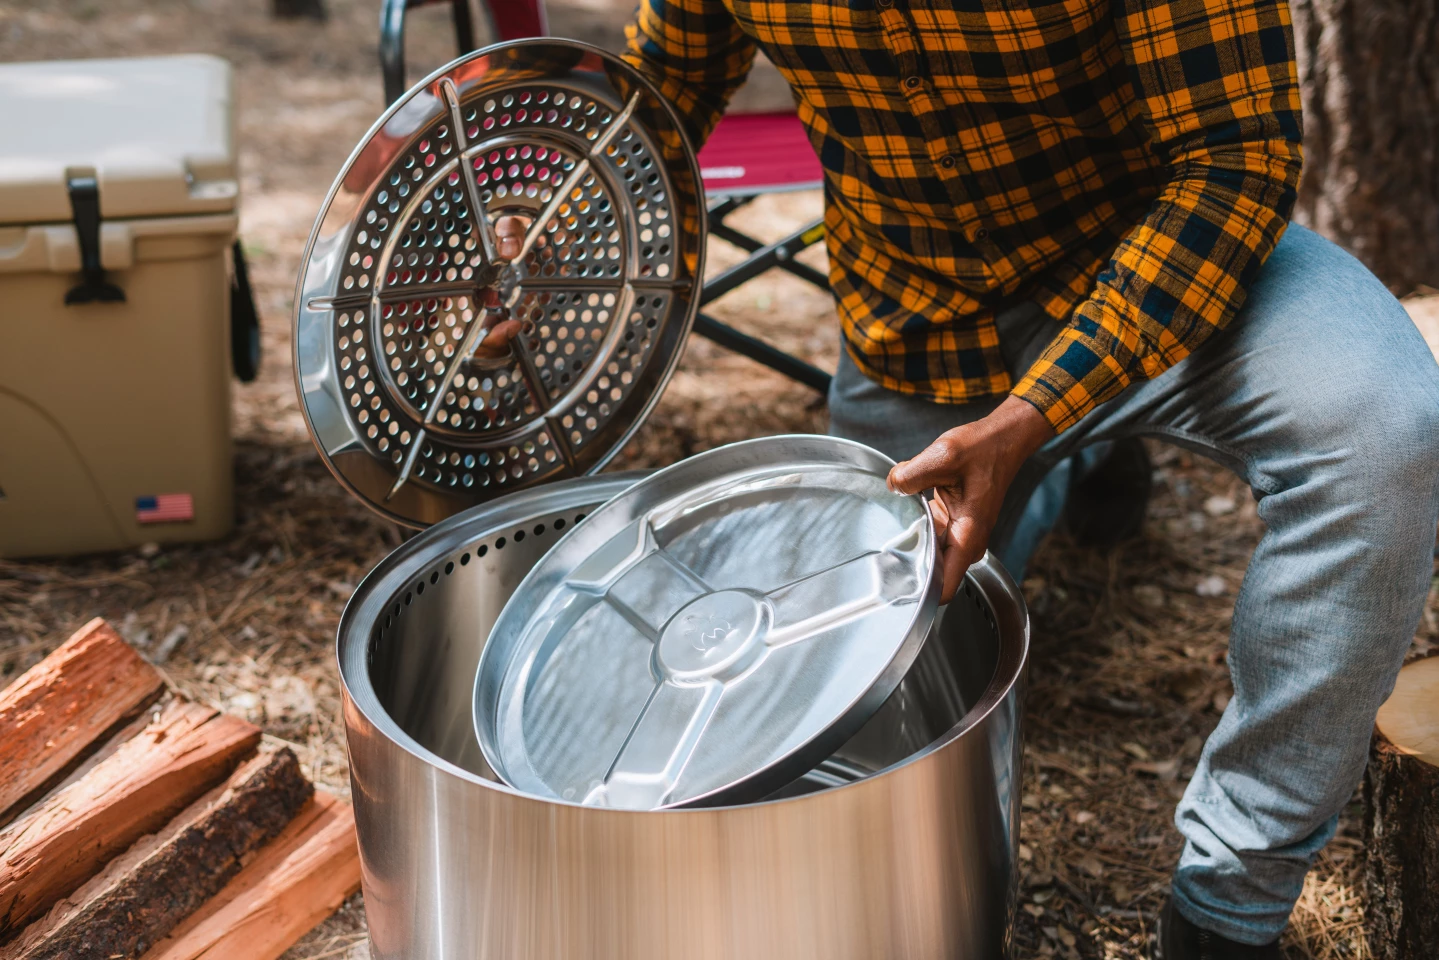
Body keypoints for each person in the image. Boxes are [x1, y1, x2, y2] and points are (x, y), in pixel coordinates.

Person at [591, 1, 1439, 957]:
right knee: (877, 669)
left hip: (1162, 258)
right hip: (922, 314)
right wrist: (562, 241)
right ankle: (1079, 461)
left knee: (1386, 435)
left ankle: (1227, 905)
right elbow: (675, 79)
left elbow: (1235, 159)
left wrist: (1033, 414)